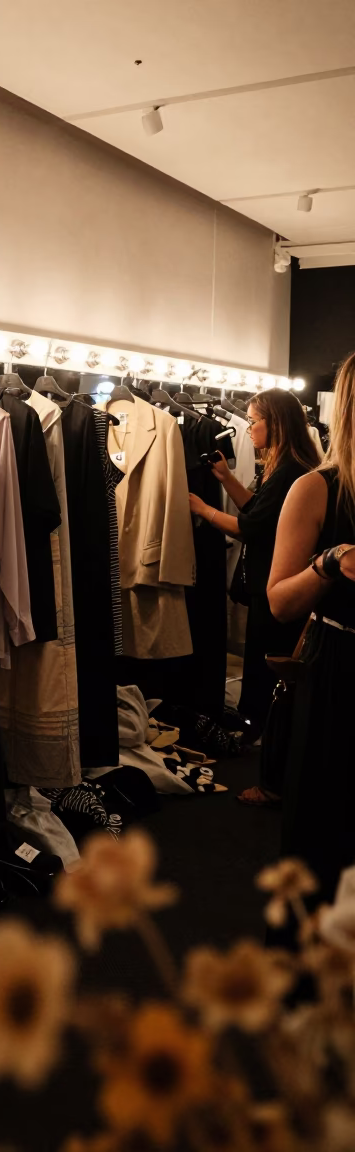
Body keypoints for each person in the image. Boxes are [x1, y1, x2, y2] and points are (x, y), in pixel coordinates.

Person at [188, 389, 321, 770]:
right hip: (275, 578)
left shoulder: (290, 470)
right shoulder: (284, 465)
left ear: (274, 423)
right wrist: (227, 478)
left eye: (253, 421)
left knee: (267, 661)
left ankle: (262, 744)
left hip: (277, 582)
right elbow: (259, 510)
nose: (247, 429)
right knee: (262, 657)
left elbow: (251, 527)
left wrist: (204, 508)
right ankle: (261, 735)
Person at [267, 355, 355, 900]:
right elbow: (279, 601)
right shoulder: (318, 488)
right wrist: (329, 563)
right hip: (340, 676)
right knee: (331, 834)